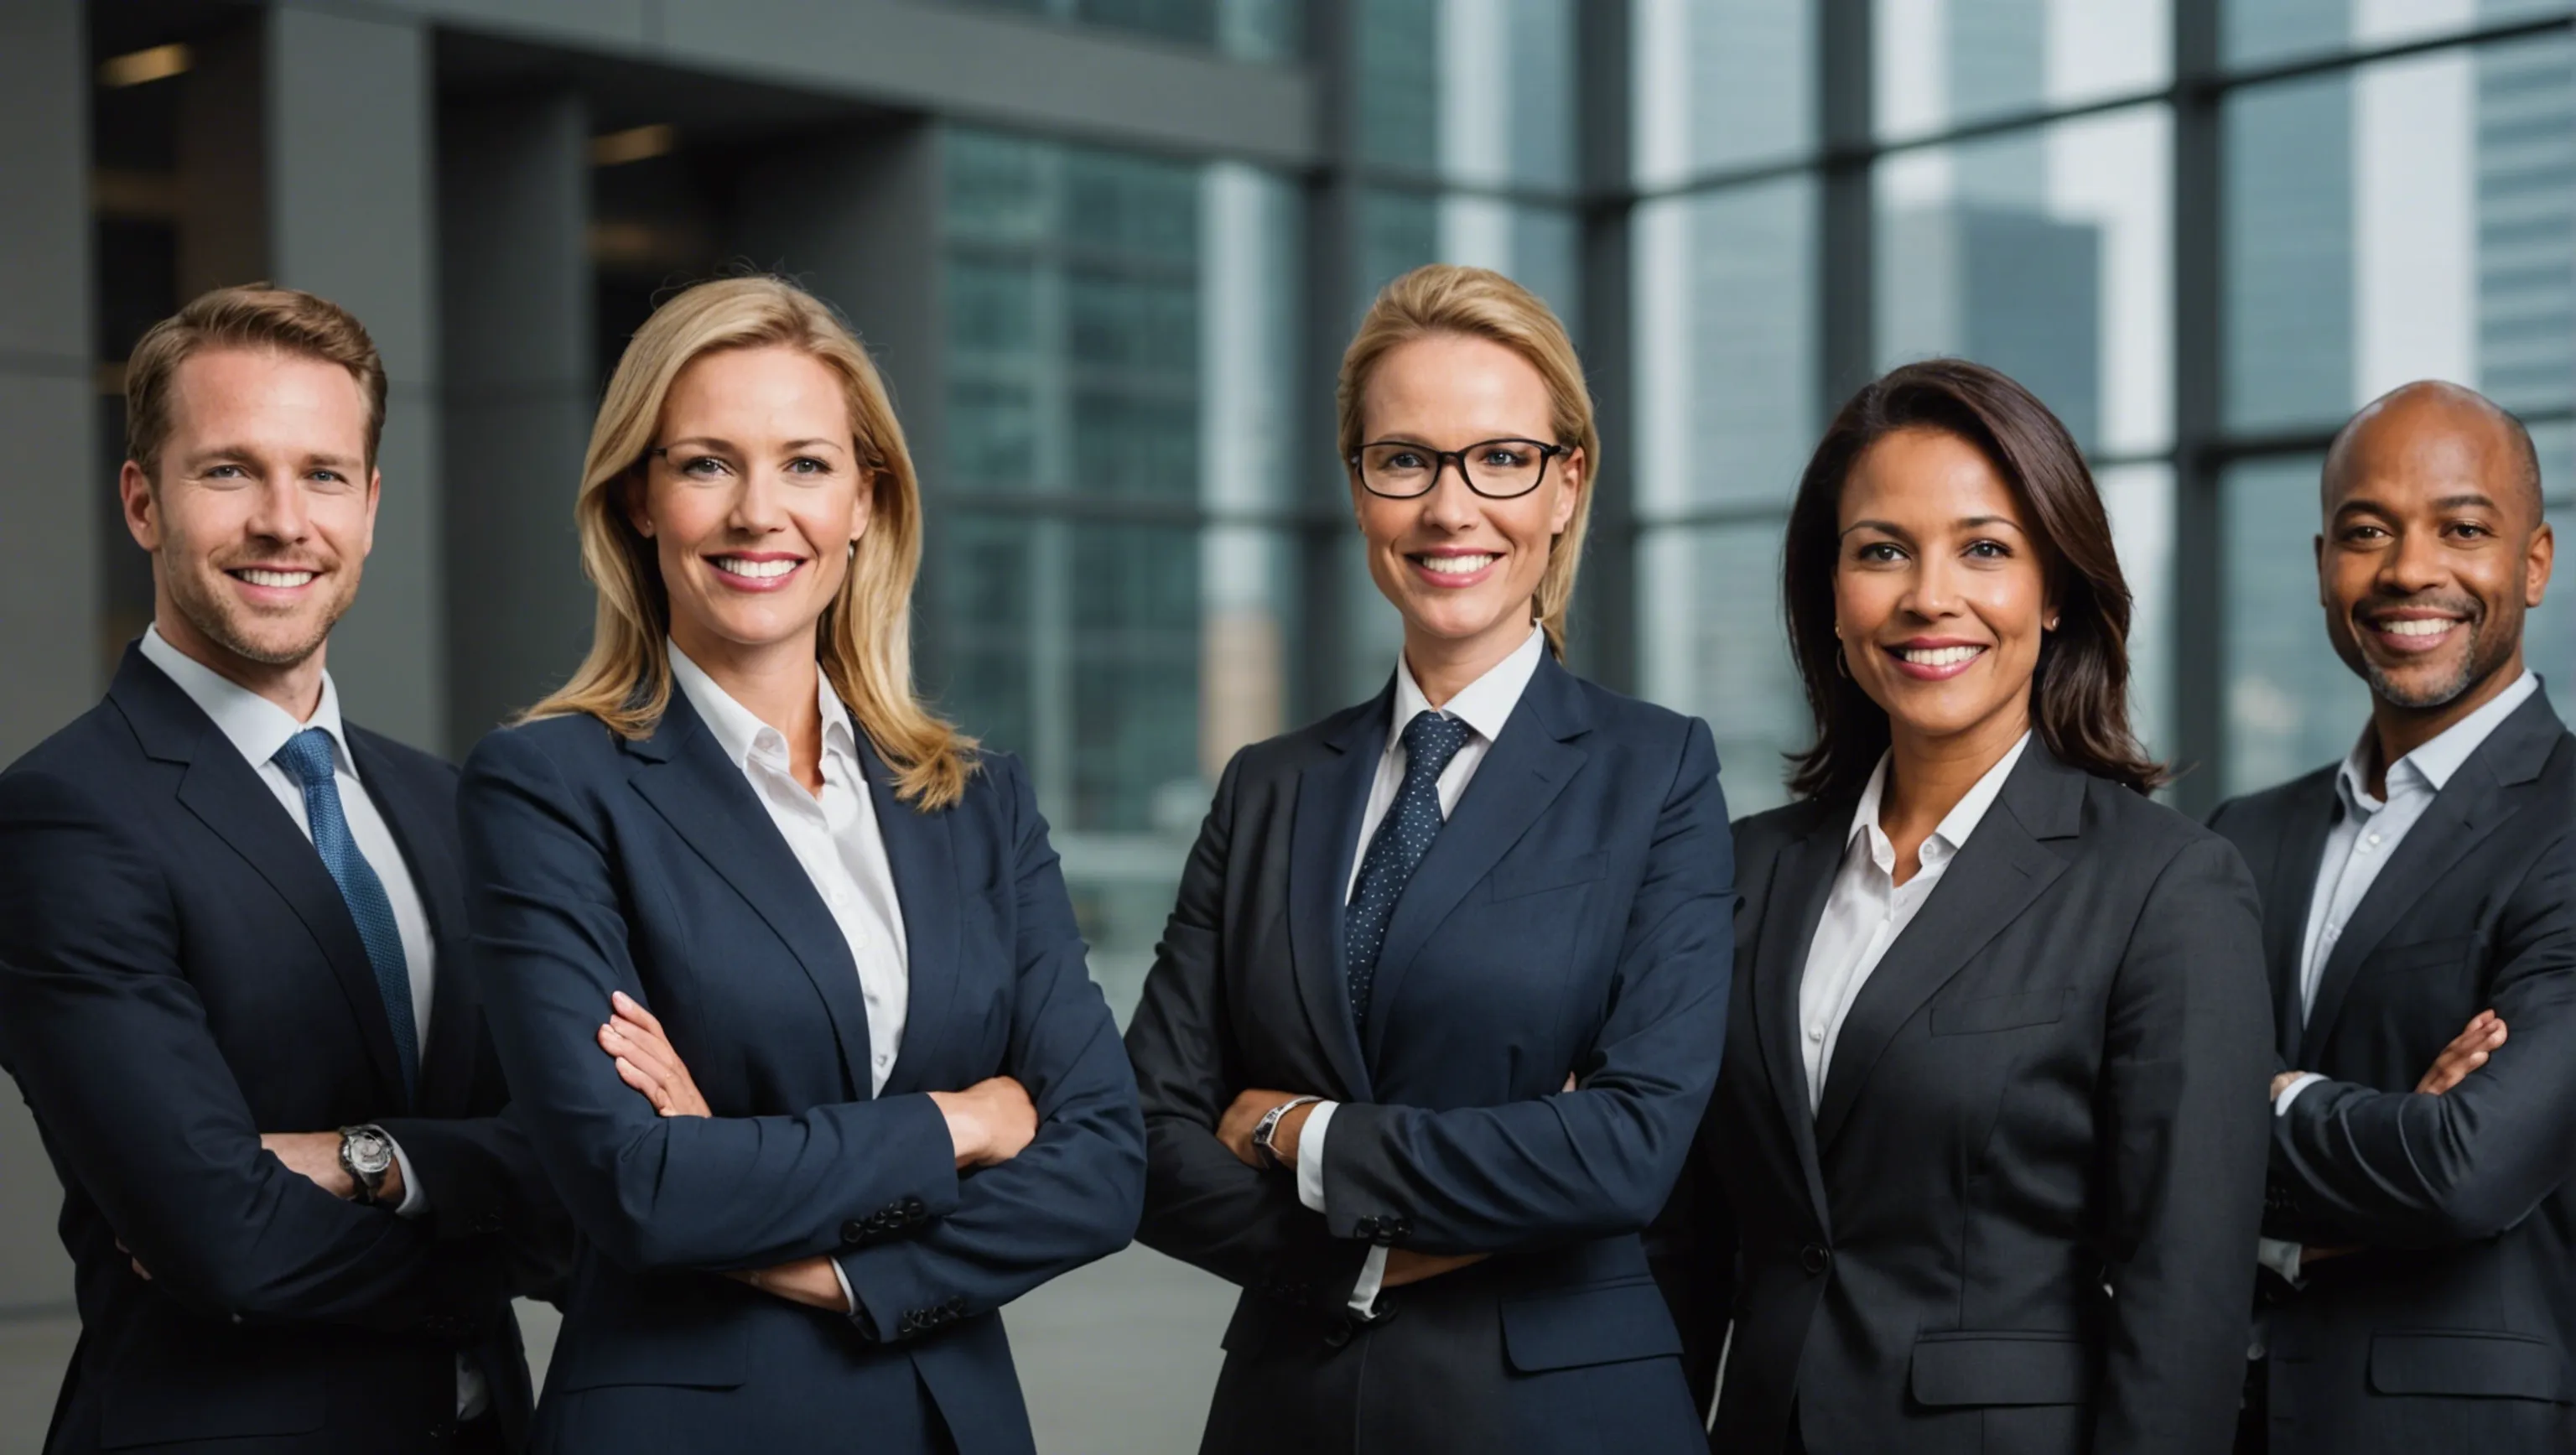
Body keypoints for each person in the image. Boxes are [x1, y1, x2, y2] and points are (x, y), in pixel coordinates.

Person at [455, 275, 1141, 1454]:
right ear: (638, 499)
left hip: (954, 1420)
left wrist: (824, 1265)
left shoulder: (974, 800)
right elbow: (636, 1183)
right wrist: (963, 1119)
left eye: (807, 464)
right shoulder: (549, 787)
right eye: (707, 463)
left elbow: (1104, 1165)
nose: (757, 512)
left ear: (868, 499)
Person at [1124, 263, 1733, 1455]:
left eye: (1500, 458)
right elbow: (1142, 1135)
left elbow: (1626, 1149)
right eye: (1406, 460)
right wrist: (1372, 1255)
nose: (1453, 507)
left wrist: (1299, 1130)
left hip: (1555, 1410)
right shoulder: (1269, 784)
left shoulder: (1655, 772)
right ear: (1358, 490)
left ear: (1566, 485)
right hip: (1289, 1406)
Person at [1654, 359, 2273, 1453]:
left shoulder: (2167, 887)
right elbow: (1689, 1251)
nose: (1927, 593)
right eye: (1880, 549)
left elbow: (2186, 1303)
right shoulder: (1742, 868)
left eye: (1984, 548)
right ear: (1831, 594)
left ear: (2055, 591)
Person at [0, 285, 569, 1454]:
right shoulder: (63, 815)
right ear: (141, 500)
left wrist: (377, 1160)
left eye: (321, 473)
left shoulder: (451, 803)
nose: (281, 519)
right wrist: (502, 1237)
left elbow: (579, 1158)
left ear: (368, 506)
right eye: (228, 472)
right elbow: (216, 1232)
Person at [2207, 381, 2576, 1453]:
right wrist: (2365, 1153)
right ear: (2325, 564)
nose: (2411, 569)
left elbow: (2465, 1167)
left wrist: (2253, 1096)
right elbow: (2122, 1143)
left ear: (2535, 563)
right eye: (2368, 533)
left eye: (2463, 529)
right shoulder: (2240, 834)